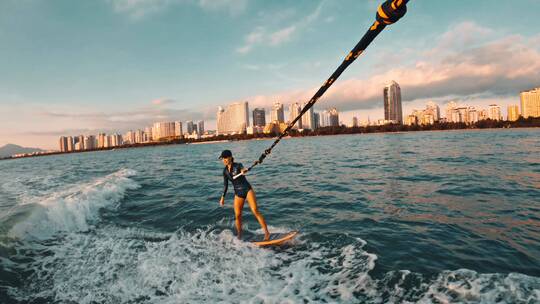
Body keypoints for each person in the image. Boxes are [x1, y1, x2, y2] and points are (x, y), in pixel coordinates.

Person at [219, 149, 270, 241]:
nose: (224, 160)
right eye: (223, 159)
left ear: (230, 157)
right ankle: (239, 235)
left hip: (247, 189)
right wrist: (223, 197)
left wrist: (243, 171)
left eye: (225, 158)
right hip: (238, 193)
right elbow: (225, 185)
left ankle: (267, 232)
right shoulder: (225, 171)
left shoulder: (238, 165)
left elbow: (242, 169)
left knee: (255, 210)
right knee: (238, 215)